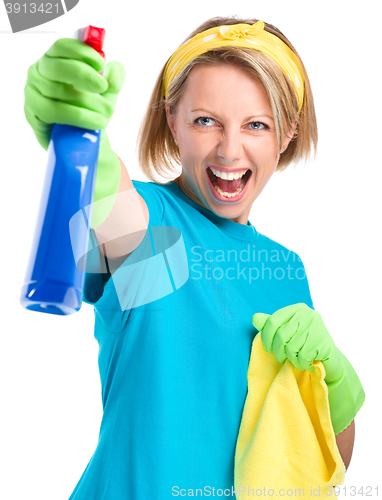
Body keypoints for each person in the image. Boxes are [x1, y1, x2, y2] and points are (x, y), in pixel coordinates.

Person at [23, 15, 365, 499]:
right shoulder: (158, 231)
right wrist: (79, 133)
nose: (229, 149)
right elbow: (117, 211)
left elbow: (321, 460)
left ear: (286, 133)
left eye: (256, 125)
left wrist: (335, 377)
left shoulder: (287, 271)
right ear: (172, 121)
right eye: (206, 120)